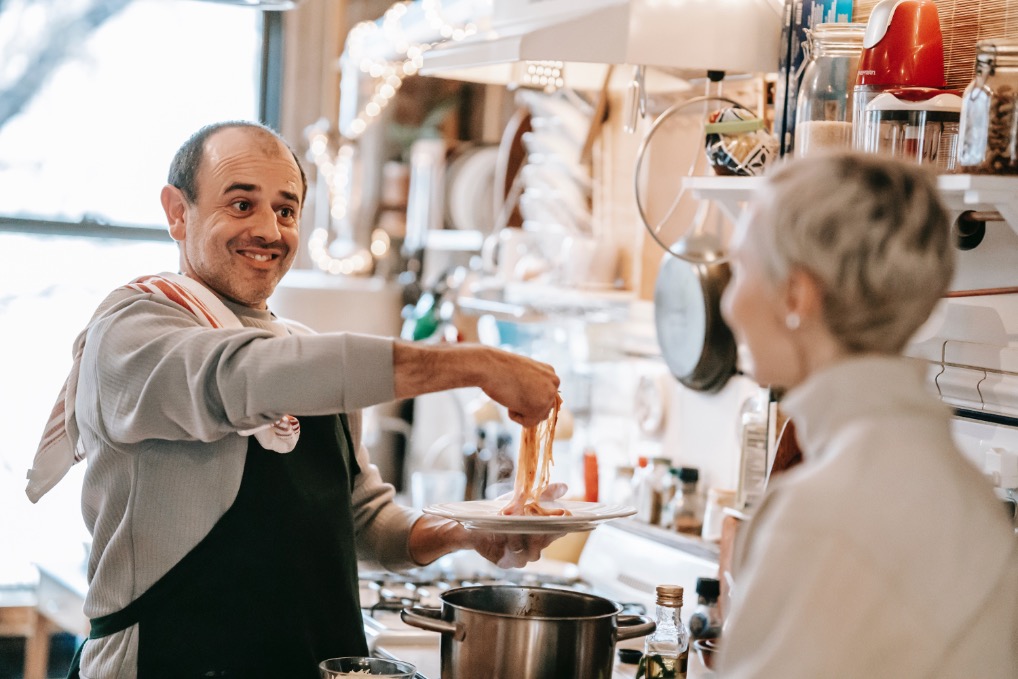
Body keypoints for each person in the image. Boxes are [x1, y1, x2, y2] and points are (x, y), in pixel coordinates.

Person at [31, 120, 563, 678]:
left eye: (286, 211)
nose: (268, 229)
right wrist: (478, 364)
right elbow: (241, 377)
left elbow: (363, 521)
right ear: (177, 211)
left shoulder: (305, 357)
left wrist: (468, 533)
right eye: (241, 205)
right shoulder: (133, 331)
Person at [717, 152, 1018, 677]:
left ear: (796, 295)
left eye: (740, 268)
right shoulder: (960, 485)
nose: (728, 302)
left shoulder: (822, 514)